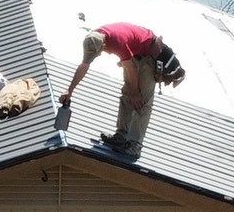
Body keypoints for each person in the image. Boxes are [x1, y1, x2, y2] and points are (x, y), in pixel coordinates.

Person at [56, 21, 185, 155]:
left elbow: (131, 69)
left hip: (150, 55)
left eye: (100, 52)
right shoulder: (92, 39)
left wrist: (135, 93)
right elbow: (84, 65)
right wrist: (69, 90)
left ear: (104, 45)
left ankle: (135, 145)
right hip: (135, 53)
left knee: (142, 99)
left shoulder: (118, 42)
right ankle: (121, 136)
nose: (99, 55)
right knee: (127, 94)